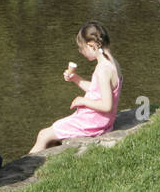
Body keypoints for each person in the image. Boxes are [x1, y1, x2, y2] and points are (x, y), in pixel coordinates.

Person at [30, 21, 123, 153]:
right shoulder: (112, 62)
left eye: (82, 48)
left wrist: (82, 100)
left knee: (43, 135)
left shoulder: (102, 69)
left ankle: (23, 170)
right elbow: (99, 90)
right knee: (52, 135)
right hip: (102, 121)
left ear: (91, 45)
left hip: (93, 122)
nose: (81, 52)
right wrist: (76, 79)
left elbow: (107, 106)